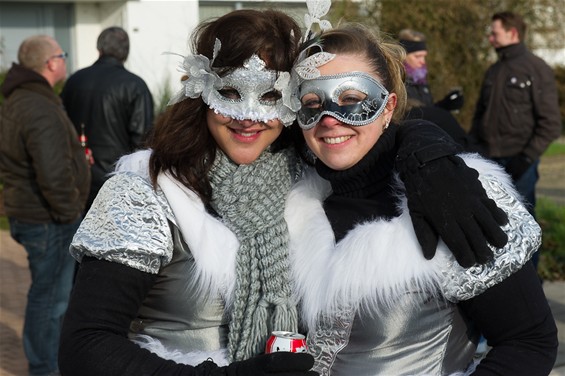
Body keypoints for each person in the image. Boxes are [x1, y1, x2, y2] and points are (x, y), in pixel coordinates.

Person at [59, 7, 511, 376]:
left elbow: (362, 125)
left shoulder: (306, 179)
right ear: (201, 90)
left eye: (272, 97)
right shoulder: (149, 188)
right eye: (231, 92)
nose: (249, 115)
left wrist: (426, 149)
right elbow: (85, 346)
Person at [287, 24, 558, 375]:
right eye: (311, 103)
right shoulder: (295, 203)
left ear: (389, 106)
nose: (329, 119)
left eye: (351, 100)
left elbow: (529, 340)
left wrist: (425, 143)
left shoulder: (450, 195)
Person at [0, 35, 90, 376]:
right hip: (48, 220)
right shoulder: (37, 105)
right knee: (50, 301)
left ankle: (47, 363)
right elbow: (52, 172)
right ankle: (45, 368)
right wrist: (69, 215)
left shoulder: (26, 99)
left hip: (37, 215)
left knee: (48, 296)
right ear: (51, 63)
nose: (65, 60)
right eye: (62, 54)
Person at [470, 11, 562, 269]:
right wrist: (472, 147)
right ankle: (502, 281)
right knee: (492, 223)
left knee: (523, 225)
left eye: (494, 33)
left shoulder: (536, 68)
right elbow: (480, 116)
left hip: (521, 161)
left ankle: (531, 282)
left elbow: (550, 123)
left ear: (513, 33)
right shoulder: (494, 70)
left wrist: (526, 158)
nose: (490, 38)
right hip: (489, 160)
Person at [61, 26, 154, 211]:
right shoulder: (135, 85)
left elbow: (61, 127)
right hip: (116, 178)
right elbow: (142, 140)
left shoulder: (74, 80)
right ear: (126, 52)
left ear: (99, 49)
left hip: (76, 175)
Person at [398, 28, 464, 112]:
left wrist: (445, 105)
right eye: (417, 56)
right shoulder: (397, 80)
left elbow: (427, 111)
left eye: (424, 56)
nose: (422, 61)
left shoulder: (420, 79)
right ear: (403, 56)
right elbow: (409, 115)